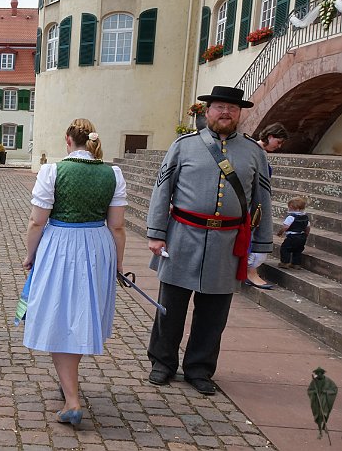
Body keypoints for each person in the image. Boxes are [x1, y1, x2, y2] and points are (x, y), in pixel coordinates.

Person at [145, 86, 273, 395]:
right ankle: (162, 363)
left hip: (227, 243)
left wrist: (261, 245)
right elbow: (163, 190)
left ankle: (199, 369)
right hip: (182, 238)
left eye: (231, 108)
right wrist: (156, 233)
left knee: (214, 313)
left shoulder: (254, 152)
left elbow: (262, 200)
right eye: (219, 107)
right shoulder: (183, 146)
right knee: (170, 308)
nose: (225, 112)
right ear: (207, 111)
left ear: (239, 113)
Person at [22, 119, 127, 425]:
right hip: (97, 246)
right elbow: (117, 226)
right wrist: (117, 264)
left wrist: (30, 255)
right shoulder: (113, 173)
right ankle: (69, 385)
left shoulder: (52, 171)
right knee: (78, 316)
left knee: (59, 317)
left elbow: (37, 221)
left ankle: (72, 400)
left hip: (61, 246)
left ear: (67, 140)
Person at [245, 123, 289, 289]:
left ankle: (249, 271)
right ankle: (250, 272)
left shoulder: (257, 151)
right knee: (253, 236)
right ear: (270, 136)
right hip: (251, 203)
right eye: (278, 141)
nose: (279, 146)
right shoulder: (254, 150)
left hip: (256, 201)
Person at [277, 196, 310, 269]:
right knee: (298, 250)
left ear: (291, 207)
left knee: (285, 248)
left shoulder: (291, 217)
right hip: (302, 236)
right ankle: (296, 264)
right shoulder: (305, 217)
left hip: (292, 236)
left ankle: (285, 262)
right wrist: (306, 235)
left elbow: (285, 227)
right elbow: (307, 227)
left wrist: (280, 232)